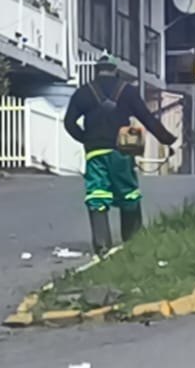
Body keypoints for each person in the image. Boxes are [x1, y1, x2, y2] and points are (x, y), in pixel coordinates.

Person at [64, 53, 177, 256]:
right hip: (122, 150)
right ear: (116, 71)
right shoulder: (128, 92)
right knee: (128, 193)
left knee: (97, 194)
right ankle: (132, 241)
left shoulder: (83, 93)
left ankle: (102, 245)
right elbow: (147, 119)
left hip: (95, 152)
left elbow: (69, 123)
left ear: (96, 71)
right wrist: (168, 140)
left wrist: (86, 139)